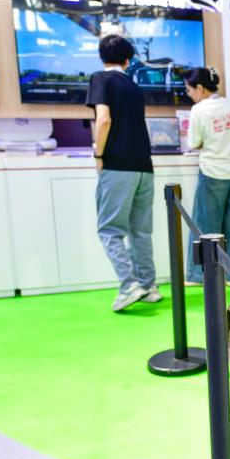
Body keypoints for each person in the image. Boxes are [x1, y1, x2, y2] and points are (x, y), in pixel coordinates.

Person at [86, 34, 159, 312]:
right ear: (127, 60)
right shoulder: (133, 86)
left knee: (109, 230)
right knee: (141, 230)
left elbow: (103, 119)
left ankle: (129, 286)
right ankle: (149, 286)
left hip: (117, 165)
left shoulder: (100, 79)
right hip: (144, 166)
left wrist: (98, 154)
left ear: (101, 57)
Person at [182, 67, 230, 285]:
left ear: (200, 88)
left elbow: (194, 142)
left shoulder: (199, 110)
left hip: (212, 172)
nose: (188, 94)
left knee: (205, 225)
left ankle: (199, 275)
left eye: (189, 90)